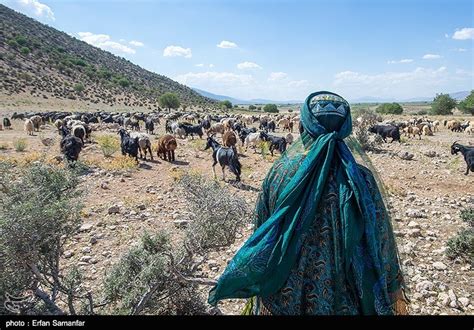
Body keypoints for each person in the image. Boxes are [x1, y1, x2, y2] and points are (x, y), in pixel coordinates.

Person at [208, 91, 408, 315]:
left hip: (285, 291)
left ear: (304, 127)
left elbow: (263, 227)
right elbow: (380, 235)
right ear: (345, 128)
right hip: (346, 295)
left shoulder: (280, 173)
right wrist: (391, 284)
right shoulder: (361, 178)